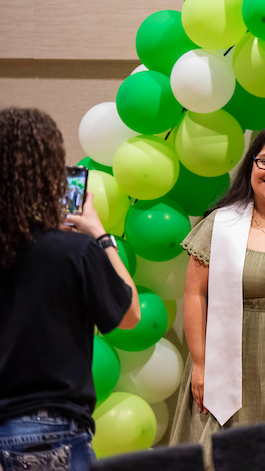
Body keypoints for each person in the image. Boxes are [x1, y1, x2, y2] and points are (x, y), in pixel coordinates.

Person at [169, 125, 265, 469]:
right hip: (229, 361)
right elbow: (195, 294)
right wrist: (201, 363)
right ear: (251, 166)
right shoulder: (221, 224)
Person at [0, 107, 141, 471]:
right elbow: (130, 315)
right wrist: (99, 235)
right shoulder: (73, 251)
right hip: (48, 430)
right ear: (50, 170)